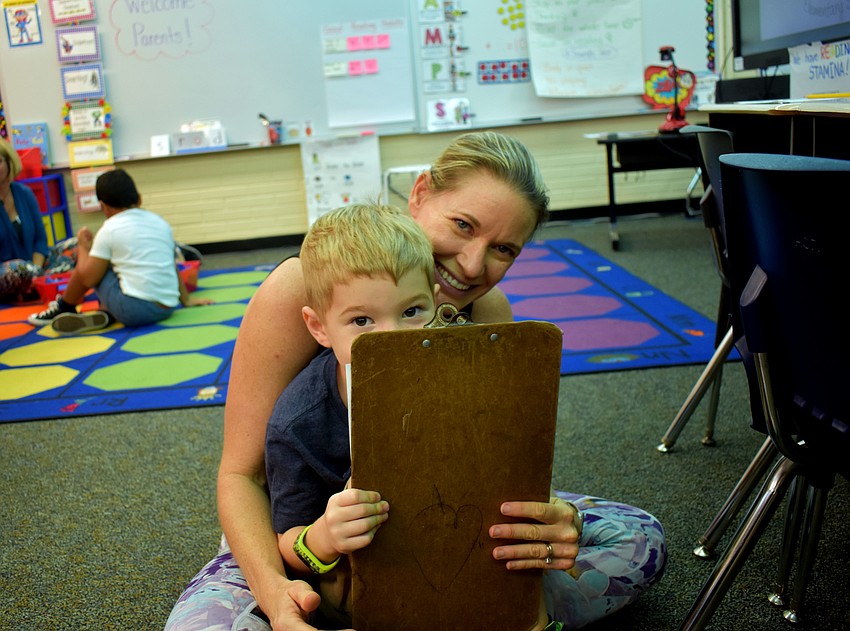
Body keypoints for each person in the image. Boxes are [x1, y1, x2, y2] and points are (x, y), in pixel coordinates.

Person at [165, 131, 667, 631]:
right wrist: (278, 598)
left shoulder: (488, 314)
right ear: (421, 194)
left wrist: (555, 524)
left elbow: (497, 464)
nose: (472, 265)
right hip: (297, 537)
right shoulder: (304, 288)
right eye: (463, 225)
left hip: (444, 524)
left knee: (641, 539)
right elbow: (242, 477)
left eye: (504, 250)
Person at [265, 202, 446, 627]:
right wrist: (327, 536)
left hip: (443, 545)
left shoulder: (461, 376)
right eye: (362, 320)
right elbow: (287, 542)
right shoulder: (297, 423)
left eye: (412, 312)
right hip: (346, 574)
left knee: (630, 544)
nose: (392, 340)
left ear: (436, 304)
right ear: (319, 328)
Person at [27, 168, 212, 334]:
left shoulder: (110, 229)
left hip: (135, 311)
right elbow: (171, 265)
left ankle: (64, 306)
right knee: (117, 261)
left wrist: (83, 247)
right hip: (168, 306)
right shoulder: (160, 222)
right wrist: (186, 299)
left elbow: (88, 278)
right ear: (139, 199)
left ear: (103, 206)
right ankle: (105, 314)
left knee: (96, 265)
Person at [0, 138, 76, 302]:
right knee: (18, 268)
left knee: (76, 247)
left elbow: (40, 239)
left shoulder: (24, 193)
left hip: (33, 267)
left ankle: (37, 285)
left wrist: (36, 271)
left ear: (9, 163)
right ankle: (35, 285)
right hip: (7, 272)